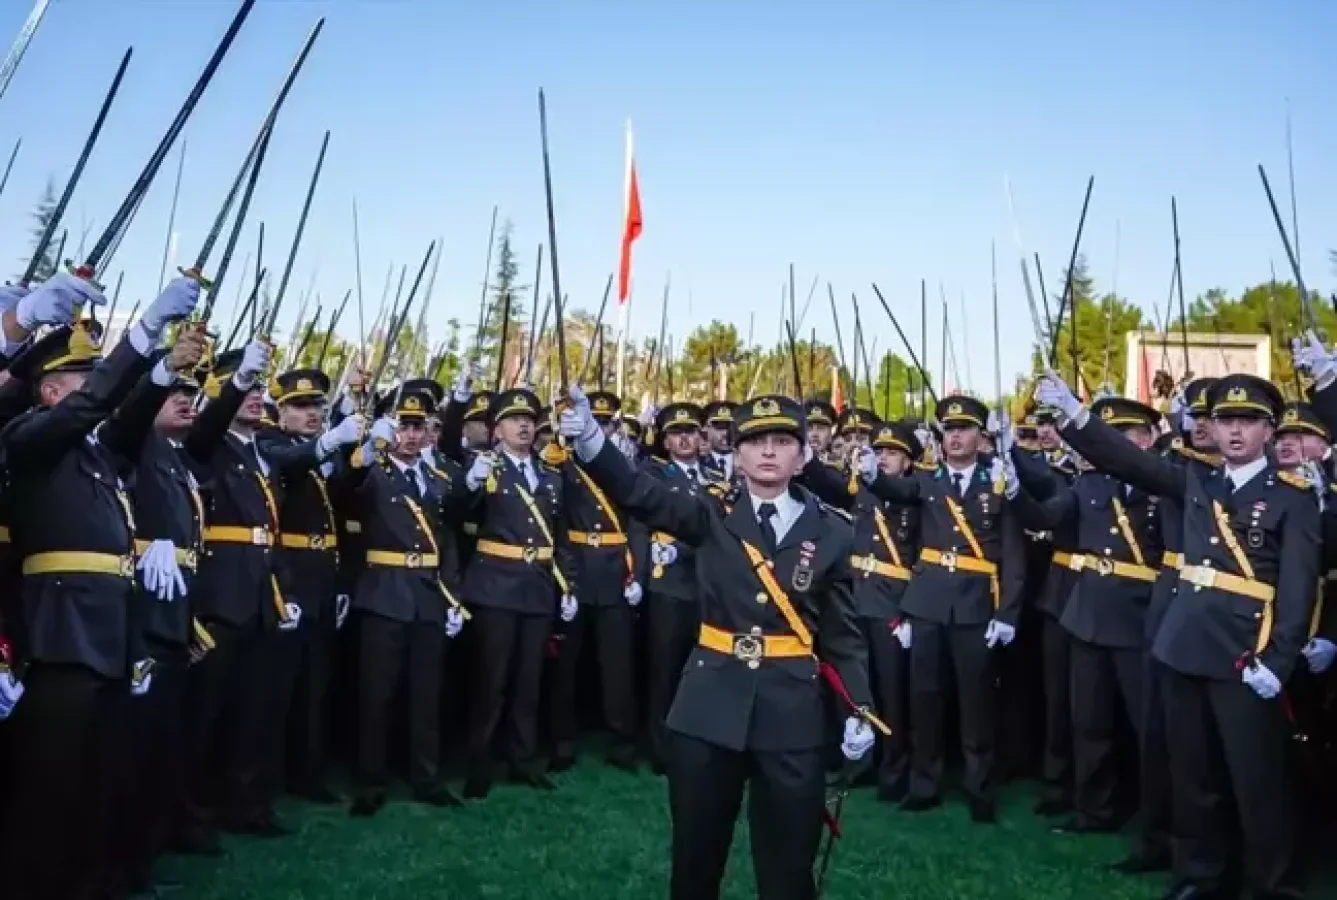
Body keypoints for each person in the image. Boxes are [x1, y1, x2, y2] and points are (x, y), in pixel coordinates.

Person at [560, 389, 877, 900]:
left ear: (802, 456)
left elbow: (842, 634)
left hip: (792, 712)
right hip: (709, 705)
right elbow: (641, 493)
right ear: (737, 454)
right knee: (695, 861)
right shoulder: (709, 511)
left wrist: (858, 707)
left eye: (781, 441)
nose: (769, 452)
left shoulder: (834, 532)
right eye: (755, 442)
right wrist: (594, 441)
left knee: (789, 868)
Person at [1037, 370, 1318, 900]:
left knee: (1258, 782)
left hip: (1245, 656)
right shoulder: (1196, 480)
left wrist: (1278, 662)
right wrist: (1076, 415)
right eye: (1225, 420)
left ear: (1269, 430)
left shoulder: (1292, 497)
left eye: (1249, 421)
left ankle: (1275, 886)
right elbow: (1129, 460)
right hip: (1183, 648)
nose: (1235, 431)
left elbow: (1298, 591)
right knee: (1193, 777)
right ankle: (1199, 875)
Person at [0, 273, 201, 900]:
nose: (99, 391)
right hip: (62, 634)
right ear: (52, 390)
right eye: (85, 382)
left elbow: (128, 413)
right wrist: (139, 336)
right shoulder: (30, 437)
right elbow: (98, 406)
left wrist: (163, 366)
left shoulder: (95, 454)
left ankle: (92, 881)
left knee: (96, 778)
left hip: (108, 632)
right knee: (52, 786)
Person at [859, 394, 1026, 823]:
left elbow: (1012, 555)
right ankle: (923, 783)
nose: (955, 437)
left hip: (975, 606)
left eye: (964, 428)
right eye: (948, 430)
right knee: (925, 700)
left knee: (976, 705)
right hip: (928, 603)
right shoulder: (929, 481)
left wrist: (1007, 613)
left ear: (980, 436)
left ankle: (979, 788)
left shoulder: (999, 483)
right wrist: (871, 473)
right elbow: (896, 487)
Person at [1012, 397, 1166, 837]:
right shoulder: (1089, 484)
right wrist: (1013, 493)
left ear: (1149, 439)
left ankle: (1156, 819)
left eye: (1127, 435)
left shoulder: (1163, 485)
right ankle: (1093, 809)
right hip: (1089, 614)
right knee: (1088, 722)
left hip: (1142, 616)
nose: (1115, 445)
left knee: (1147, 727)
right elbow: (1047, 515)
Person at [182, 336, 296, 838]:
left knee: (255, 711)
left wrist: (282, 590)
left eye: (256, 388)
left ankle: (247, 805)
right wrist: (235, 383)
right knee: (205, 714)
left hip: (259, 596)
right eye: (240, 388)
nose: (254, 396)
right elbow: (204, 430)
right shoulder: (206, 444)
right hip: (220, 595)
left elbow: (271, 533)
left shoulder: (258, 454)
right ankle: (191, 816)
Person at [346, 388, 467, 816]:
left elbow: (447, 540)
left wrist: (452, 595)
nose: (411, 436)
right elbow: (347, 485)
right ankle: (370, 781)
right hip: (384, 592)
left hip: (428, 595)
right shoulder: (372, 472)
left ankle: (425, 777)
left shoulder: (436, 480)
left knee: (425, 693)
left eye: (418, 427)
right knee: (377, 695)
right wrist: (366, 445)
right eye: (403, 426)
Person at [458, 386, 577, 797]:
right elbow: (454, 514)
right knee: (492, 681)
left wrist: (568, 584)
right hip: (496, 584)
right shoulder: (485, 469)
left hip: (538, 587)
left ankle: (523, 760)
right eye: (513, 419)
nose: (523, 425)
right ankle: (480, 763)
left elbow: (560, 535)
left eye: (528, 419)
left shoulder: (549, 474)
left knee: (529, 681)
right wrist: (469, 484)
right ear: (497, 429)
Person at [258, 367, 367, 804]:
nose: (311, 414)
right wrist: (329, 442)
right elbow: (288, 466)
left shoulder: (326, 452)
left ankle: (307, 771)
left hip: (323, 573)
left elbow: (342, 510)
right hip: (289, 573)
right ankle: (269, 774)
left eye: (317, 406)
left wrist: (359, 455)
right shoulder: (271, 444)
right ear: (280, 411)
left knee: (315, 684)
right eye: (300, 407)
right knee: (278, 685)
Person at [549, 389, 642, 772]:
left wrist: (635, 571)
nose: (600, 427)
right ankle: (562, 740)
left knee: (617, 663)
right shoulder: (562, 462)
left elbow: (638, 519)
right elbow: (554, 522)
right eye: (595, 421)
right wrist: (564, 577)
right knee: (566, 665)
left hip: (615, 570)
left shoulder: (621, 465)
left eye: (606, 423)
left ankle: (623, 741)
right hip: (577, 566)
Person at [638, 402, 711, 775]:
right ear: (665, 440)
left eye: (692, 432)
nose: (685, 439)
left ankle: (694, 743)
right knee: (664, 669)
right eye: (677, 433)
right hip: (669, 580)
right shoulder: (655, 473)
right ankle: (661, 748)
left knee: (701, 671)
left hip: (707, 583)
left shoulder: (714, 474)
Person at [702, 400, 736, 481]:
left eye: (731, 428)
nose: (725, 433)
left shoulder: (748, 462)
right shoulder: (696, 463)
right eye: (719, 427)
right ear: (706, 428)